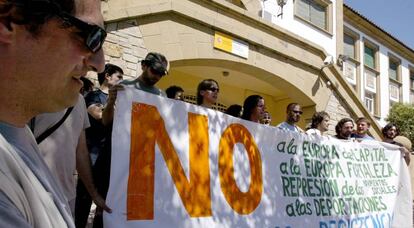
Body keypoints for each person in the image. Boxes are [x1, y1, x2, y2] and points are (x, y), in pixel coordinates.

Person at [0, 0, 106, 227]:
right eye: (91, 36)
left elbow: (80, 149)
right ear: (7, 20)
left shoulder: (18, 132)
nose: (100, 64)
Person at [93, 52, 168, 228]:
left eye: (161, 73)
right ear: (143, 65)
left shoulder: (161, 96)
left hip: (142, 162)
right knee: (106, 207)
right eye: (155, 70)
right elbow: (106, 121)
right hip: (116, 157)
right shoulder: (123, 87)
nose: (157, 76)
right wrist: (111, 101)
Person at [31, 94, 110, 216]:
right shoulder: (29, 90)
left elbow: (81, 151)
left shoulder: (79, 100)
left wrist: (94, 194)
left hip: (66, 197)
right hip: (30, 191)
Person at [76, 64, 123, 228]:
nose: (121, 82)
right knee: (84, 200)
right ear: (108, 76)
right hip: (92, 156)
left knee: (105, 205)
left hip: (111, 158)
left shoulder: (122, 102)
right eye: (119, 77)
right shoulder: (92, 96)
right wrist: (111, 101)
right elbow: (102, 117)